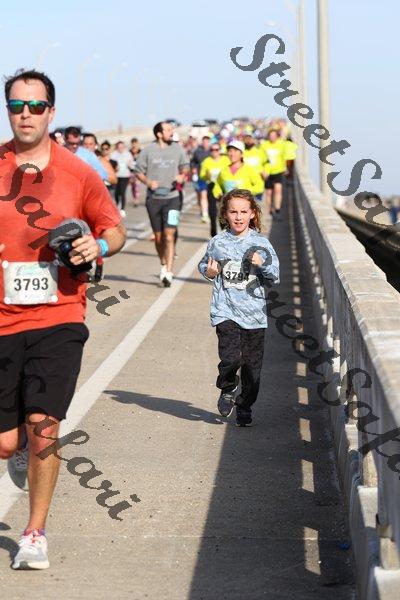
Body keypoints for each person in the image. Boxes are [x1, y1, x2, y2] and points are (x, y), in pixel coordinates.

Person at [0, 68, 126, 570]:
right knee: (6, 441)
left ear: (51, 112)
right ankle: (18, 448)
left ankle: (34, 533)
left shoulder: (78, 172)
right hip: (2, 320)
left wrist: (96, 247)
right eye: (16, 105)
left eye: (35, 106)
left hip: (60, 315)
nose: (25, 114)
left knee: (44, 424)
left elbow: (113, 229)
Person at [198, 188, 279, 426]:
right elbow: (204, 266)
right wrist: (209, 272)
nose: (238, 217)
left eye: (243, 212)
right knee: (230, 358)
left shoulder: (261, 243)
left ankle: (244, 406)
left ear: (252, 214)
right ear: (225, 214)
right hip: (225, 310)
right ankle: (228, 388)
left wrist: (262, 264)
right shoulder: (218, 242)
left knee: (252, 370)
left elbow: (274, 276)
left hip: (254, 316)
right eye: (233, 212)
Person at [134, 121, 189, 287]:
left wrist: (182, 176)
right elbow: (138, 171)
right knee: (158, 238)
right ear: (159, 133)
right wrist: (148, 182)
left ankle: (169, 272)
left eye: (172, 129)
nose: (171, 132)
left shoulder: (177, 149)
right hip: (154, 200)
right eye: (168, 130)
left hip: (173, 198)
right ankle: (163, 264)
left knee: (169, 235)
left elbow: (185, 167)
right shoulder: (148, 151)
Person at [199, 142, 230, 237]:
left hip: (223, 187)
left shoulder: (226, 160)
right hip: (212, 186)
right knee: (212, 211)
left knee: (224, 208)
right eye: (212, 150)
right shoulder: (206, 161)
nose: (214, 152)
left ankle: (224, 227)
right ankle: (213, 231)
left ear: (219, 150)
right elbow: (201, 175)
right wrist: (206, 175)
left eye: (216, 150)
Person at [260, 129, 287, 221]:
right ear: (268, 136)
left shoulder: (281, 144)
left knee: (278, 190)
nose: (272, 137)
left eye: (274, 135)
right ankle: (270, 211)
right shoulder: (264, 145)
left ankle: (277, 210)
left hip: (278, 170)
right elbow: (261, 158)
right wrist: (262, 170)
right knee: (268, 193)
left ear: (277, 136)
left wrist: (285, 167)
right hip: (268, 172)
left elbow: (284, 156)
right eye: (271, 136)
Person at [190, 134, 211, 222]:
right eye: (204, 142)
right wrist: (194, 169)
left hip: (211, 178)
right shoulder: (198, 151)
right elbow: (192, 162)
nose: (205, 143)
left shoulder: (213, 151)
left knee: (208, 196)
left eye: (207, 142)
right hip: (200, 177)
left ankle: (208, 212)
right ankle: (204, 213)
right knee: (201, 195)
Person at [110, 141, 134, 217]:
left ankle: (122, 209)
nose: (121, 148)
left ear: (124, 147)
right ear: (117, 147)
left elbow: (132, 165)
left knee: (123, 192)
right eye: (119, 147)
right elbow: (110, 165)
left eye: (122, 147)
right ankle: (117, 206)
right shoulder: (113, 154)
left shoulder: (128, 154)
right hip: (116, 176)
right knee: (117, 192)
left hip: (125, 176)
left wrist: (130, 165)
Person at [242, 133, 267, 201]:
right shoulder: (242, 153)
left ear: (253, 140)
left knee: (258, 205)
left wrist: (265, 172)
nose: (248, 141)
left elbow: (266, 163)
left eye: (249, 139)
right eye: (246, 140)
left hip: (258, 185)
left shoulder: (259, 152)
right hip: (246, 186)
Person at [129, 137, 141, 207]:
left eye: (135, 143)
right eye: (133, 143)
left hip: (138, 171)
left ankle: (136, 199)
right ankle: (134, 197)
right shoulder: (129, 152)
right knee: (133, 186)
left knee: (137, 186)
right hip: (131, 172)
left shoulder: (141, 151)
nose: (134, 145)